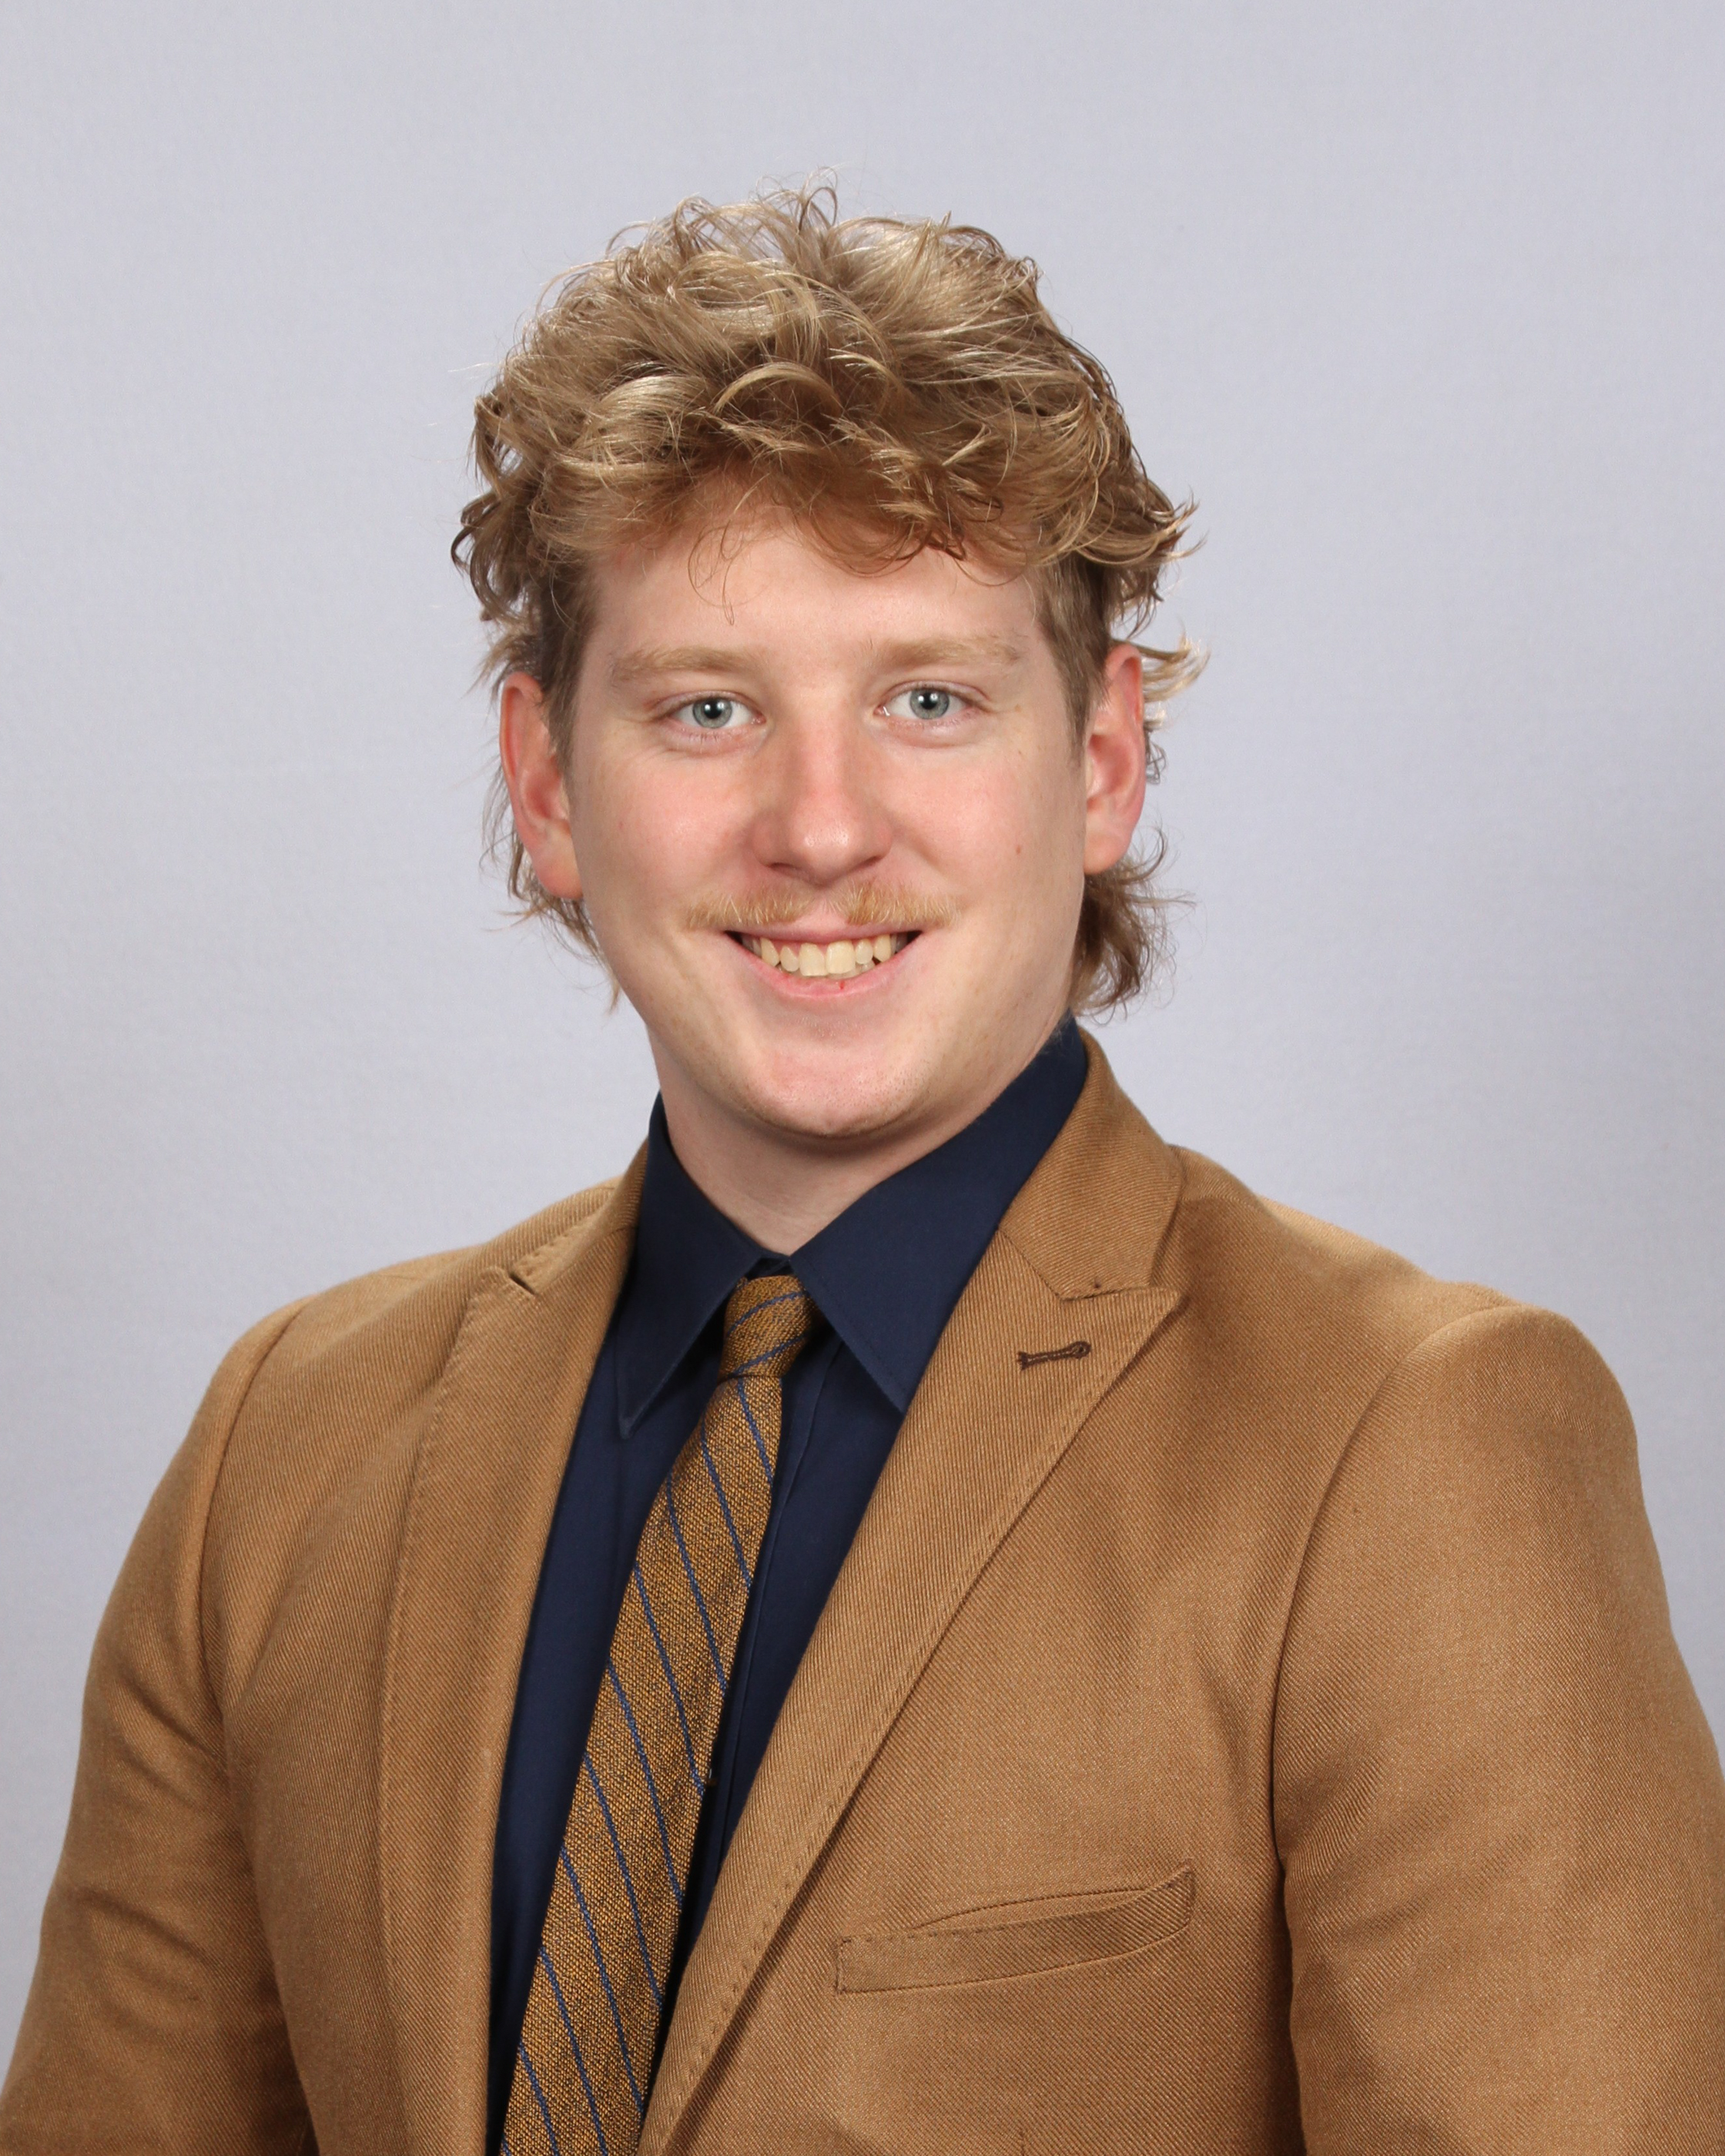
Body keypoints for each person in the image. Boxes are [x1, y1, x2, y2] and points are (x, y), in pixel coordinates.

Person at [2, 186, 1721, 2156]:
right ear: (548, 782)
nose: (820, 828)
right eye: (707, 707)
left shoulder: (1413, 1445)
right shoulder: (285, 1451)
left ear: (1099, 760)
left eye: (927, 700)